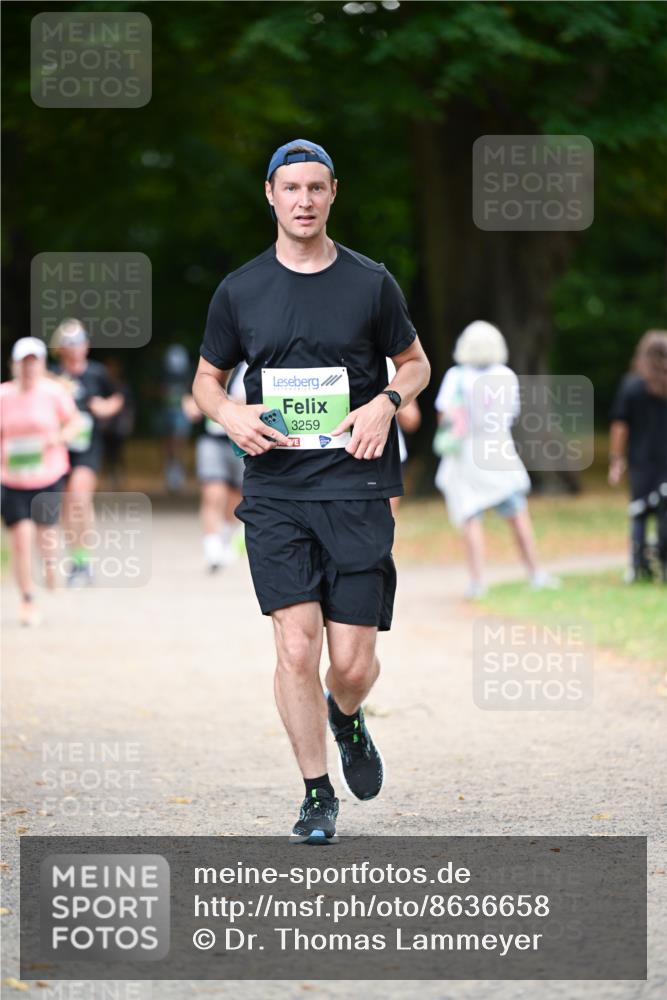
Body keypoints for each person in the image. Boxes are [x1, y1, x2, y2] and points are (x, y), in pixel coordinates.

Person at [193, 139, 430, 843]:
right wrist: (228, 411)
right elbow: (207, 380)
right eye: (290, 188)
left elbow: (414, 364)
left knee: (350, 665)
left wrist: (387, 400)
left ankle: (347, 715)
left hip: (357, 486)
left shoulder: (369, 283)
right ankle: (315, 792)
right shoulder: (239, 290)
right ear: (269, 194)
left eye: (315, 188)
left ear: (332, 194)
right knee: (294, 649)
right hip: (275, 493)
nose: (303, 200)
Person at [434, 321, 558, 599]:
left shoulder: (456, 376)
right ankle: (536, 573)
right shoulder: (506, 376)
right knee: (517, 514)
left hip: (467, 454)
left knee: (470, 516)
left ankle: (478, 582)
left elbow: (444, 416)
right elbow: (510, 414)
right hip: (499, 450)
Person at [1, 337, 80, 625]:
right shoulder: (4, 395)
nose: (29, 368)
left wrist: (59, 438)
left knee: (46, 533)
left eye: (35, 362)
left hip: (48, 473)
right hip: (12, 478)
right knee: (21, 540)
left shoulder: (54, 393)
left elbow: (75, 422)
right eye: (25, 362)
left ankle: (50, 566)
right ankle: (27, 600)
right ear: (15, 365)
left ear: (43, 365)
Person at [50, 319, 124, 586]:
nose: (75, 347)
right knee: (67, 505)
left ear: (87, 345)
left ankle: (86, 560)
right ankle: (77, 559)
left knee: (79, 499)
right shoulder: (52, 375)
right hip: (59, 447)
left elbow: (118, 397)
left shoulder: (97, 373)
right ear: (60, 347)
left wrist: (106, 407)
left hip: (88, 447)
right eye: (69, 342)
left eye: (80, 340)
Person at [609, 330, 667, 582]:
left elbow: (620, 426)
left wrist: (616, 459)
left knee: (639, 514)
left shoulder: (632, 386)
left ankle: (638, 565)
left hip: (642, 461)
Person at [182, 361, 247, 571]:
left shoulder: (258, 361)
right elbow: (192, 395)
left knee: (235, 497)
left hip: (242, 439)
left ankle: (225, 536)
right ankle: (212, 550)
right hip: (211, 439)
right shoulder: (215, 361)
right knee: (213, 492)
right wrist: (193, 405)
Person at [386, 357, 421, 516]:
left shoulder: (387, 363)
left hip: (389, 457)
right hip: (344, 454)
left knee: (385, 521)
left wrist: (388, 400)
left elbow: (412, 420)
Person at [159, 344, 193, 493]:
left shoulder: (188, 374)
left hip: (181, 413)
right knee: (168, 444)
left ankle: (176, 472)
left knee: (178, 443)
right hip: (167, 412)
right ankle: (171, 470)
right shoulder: (164, 374)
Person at [100, 357, 135, 489]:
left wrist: (129, 422)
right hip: (107, 427)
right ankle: (109, 479)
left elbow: (130, 406)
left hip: (119, 427)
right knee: (108, 454)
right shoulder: (104, 385)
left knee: (118, 454)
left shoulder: (122, 385)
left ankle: (119, 478)